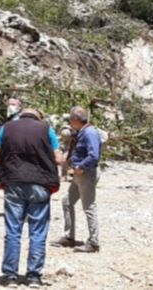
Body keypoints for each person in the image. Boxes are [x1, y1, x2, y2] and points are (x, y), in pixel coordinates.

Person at [0, 109, 63, 288]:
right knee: (38, 232)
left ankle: (10, 276)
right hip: (40, 183)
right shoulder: (46, 129)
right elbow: (58, 158)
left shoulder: (6, 128)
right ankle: (33, 276)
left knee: (13, 230)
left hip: (13, 181)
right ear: (38, 117)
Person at [53, 106, 102, 253]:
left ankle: (93, 242)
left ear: (75, 119)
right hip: (78, 174)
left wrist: (81, 166)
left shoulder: (90, 133)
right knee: (67, 201)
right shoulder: (82, 132)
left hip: (85, 173)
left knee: (89, 207)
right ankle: (69, 237)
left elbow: (94, 155)